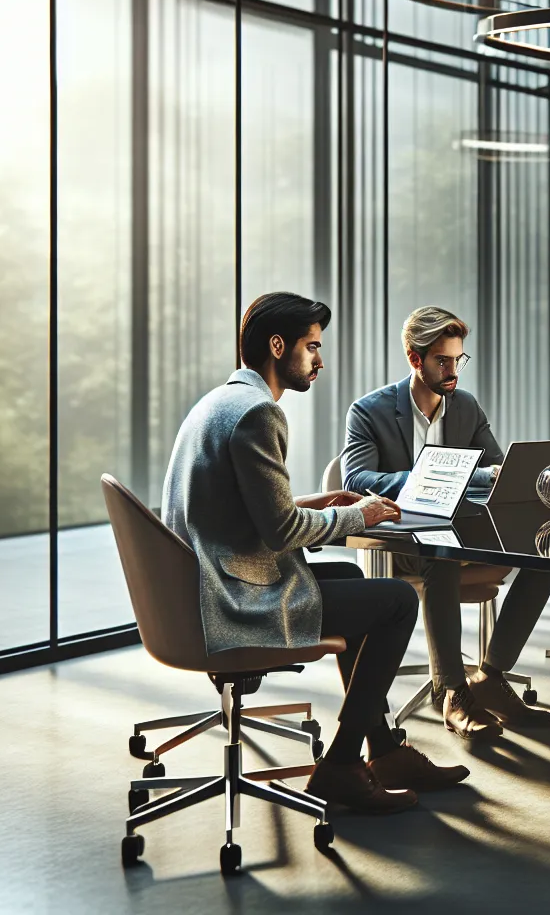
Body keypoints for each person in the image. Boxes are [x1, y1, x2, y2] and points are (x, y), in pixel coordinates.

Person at [162, 292, 469, 815]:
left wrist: (322, 501)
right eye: (311, 347)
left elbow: (246, 508)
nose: (319, 360)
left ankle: (386, 749)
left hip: (206, 581)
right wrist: (360, 515)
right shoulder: (260, 413)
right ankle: (345, 764)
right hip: (232, 598)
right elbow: (281, 531)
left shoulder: (221, 401)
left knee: (351, 575)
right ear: (277, 346)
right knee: (395, 600)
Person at [342, 306, 550, 739]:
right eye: (443, 360)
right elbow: (355, 478)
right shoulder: (369, 411)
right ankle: (453, 692)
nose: (453, 370)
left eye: (459, 359)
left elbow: (497, 469)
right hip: (400, 543)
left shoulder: (465, 407)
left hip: (464, 531)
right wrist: (426, 475)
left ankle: (491, 675)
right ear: (414, 358)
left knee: (546, 550)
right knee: (439, 554)